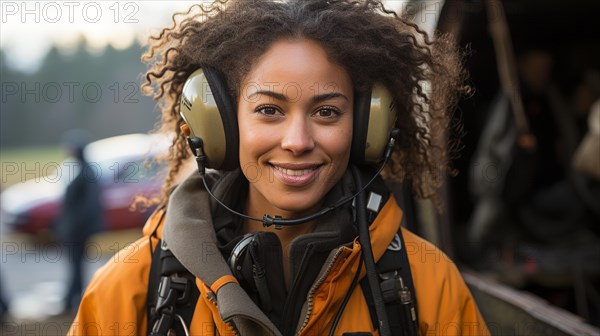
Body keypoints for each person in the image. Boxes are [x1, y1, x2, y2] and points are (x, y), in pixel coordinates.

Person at [69, 1, 489, 335]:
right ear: (222, 125)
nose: (298, 141)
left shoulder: (429, 283)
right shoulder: (132, 287)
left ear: (367, 128)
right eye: (269, 110)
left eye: (326, 112)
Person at [54, 129, 104, 314]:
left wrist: (74, 227)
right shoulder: (76, 169)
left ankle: (72, 300)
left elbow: (89, 206)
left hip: (78, 231)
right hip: (73, 229)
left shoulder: (86, 171)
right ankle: (71, 298)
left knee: (76, 265)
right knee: (74, 266)